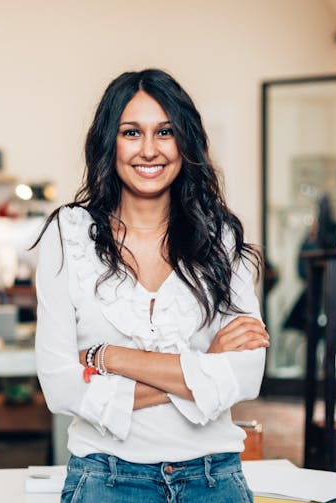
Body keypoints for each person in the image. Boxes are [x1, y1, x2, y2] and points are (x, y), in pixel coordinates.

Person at [33, 69, 269, 502]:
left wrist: (112, 357)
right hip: (105, 479)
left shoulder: (220, 236)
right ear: (110, 141)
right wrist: (203, 365)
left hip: (214, 478)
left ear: (185, 141)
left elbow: (248, 374)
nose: (148, 150)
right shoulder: (68, 235)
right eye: (131, 132)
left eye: (164, 132)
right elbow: (60, 386)